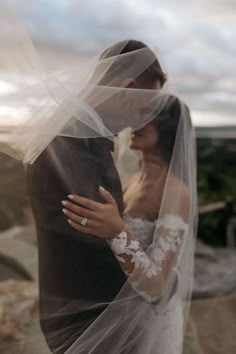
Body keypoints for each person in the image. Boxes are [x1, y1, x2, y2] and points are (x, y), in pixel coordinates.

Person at [26, 40, 167, 353]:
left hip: (82, 312)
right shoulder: (70, 143)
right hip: (89, 321)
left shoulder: (80, 133)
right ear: (126, 88)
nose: (138, 121)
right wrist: (155, 270)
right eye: (143, 107)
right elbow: (95, 234)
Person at [62, 97, 195, 353]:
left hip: (147, 322)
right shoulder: (132, 181)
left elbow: (156, 287)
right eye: (140, 114)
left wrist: (117, 231)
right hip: (115, 307)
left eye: (151, 117)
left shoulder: (176, 192)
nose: (137, 122)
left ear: (170, 129)